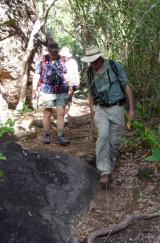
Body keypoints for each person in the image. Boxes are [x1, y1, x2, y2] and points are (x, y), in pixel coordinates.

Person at [81, 45, 135, 187]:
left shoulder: (114, 66)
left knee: (114, 141)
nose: (93, 64)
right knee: (103, 135)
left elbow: (126, 86)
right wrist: (91, 112)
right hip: (100, 109)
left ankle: (109, 165)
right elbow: (91, 94)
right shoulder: (89, 73)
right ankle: (104, 172)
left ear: (100, 57)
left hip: (117, 107)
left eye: (95, 61)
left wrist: (131, 109)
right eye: (91, 62)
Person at [32, 42, 71, 145]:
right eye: (52, 51)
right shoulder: (42, 60)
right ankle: (46, 134)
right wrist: (34, 89)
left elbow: (65, 73)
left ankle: (60, 135)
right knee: (47, 113)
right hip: (46, 89)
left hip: (61, 89)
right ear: (48, 51)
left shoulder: (62, 59)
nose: (54, 53)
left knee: (61, 112)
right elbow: (37, 74)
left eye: (56, 51)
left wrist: (69, 82)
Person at [59, 47, 80, 124]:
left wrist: (78, 82)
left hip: (72, 84)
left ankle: (65, 116)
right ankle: (62, 115)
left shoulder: (73, 62)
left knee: (68, 100)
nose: (64, 57)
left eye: (65, 56)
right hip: (62, 84)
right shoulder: (60, 62)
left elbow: (76, 72)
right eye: (63, 55)